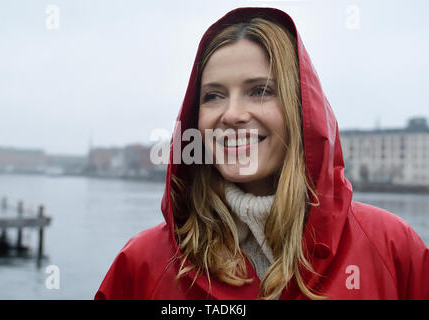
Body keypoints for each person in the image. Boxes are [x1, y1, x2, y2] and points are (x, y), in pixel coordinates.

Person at [94, 7, 428, 300]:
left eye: (260, 91)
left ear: (301, 111)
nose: (233, 114)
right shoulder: (143, 263)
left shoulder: (391, 249)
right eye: (213, 96)